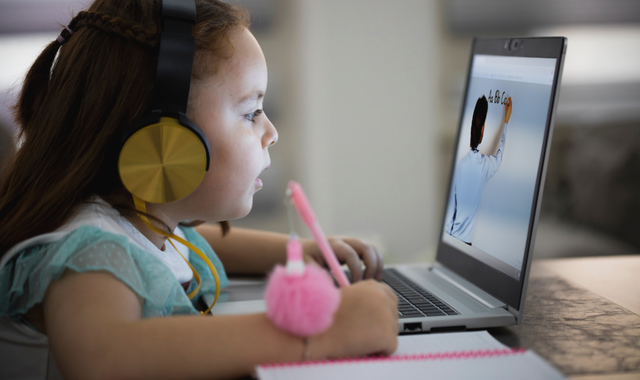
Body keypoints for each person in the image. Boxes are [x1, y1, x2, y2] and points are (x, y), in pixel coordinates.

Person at [0, 1, 398, 379]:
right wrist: (324, 333)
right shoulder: (88, 254)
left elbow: (187, 243)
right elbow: (104, 358)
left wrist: (298, 251)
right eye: (250, 112)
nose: (271, 133)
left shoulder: (142, 224)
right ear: (165, 140)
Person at [446, 95, 513, 245]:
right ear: (482, 129)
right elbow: (500, 156)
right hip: (465, 242)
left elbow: (451, 210)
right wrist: (506, 121)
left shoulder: (461, 165)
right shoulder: (485, 166)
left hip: (451, 238)